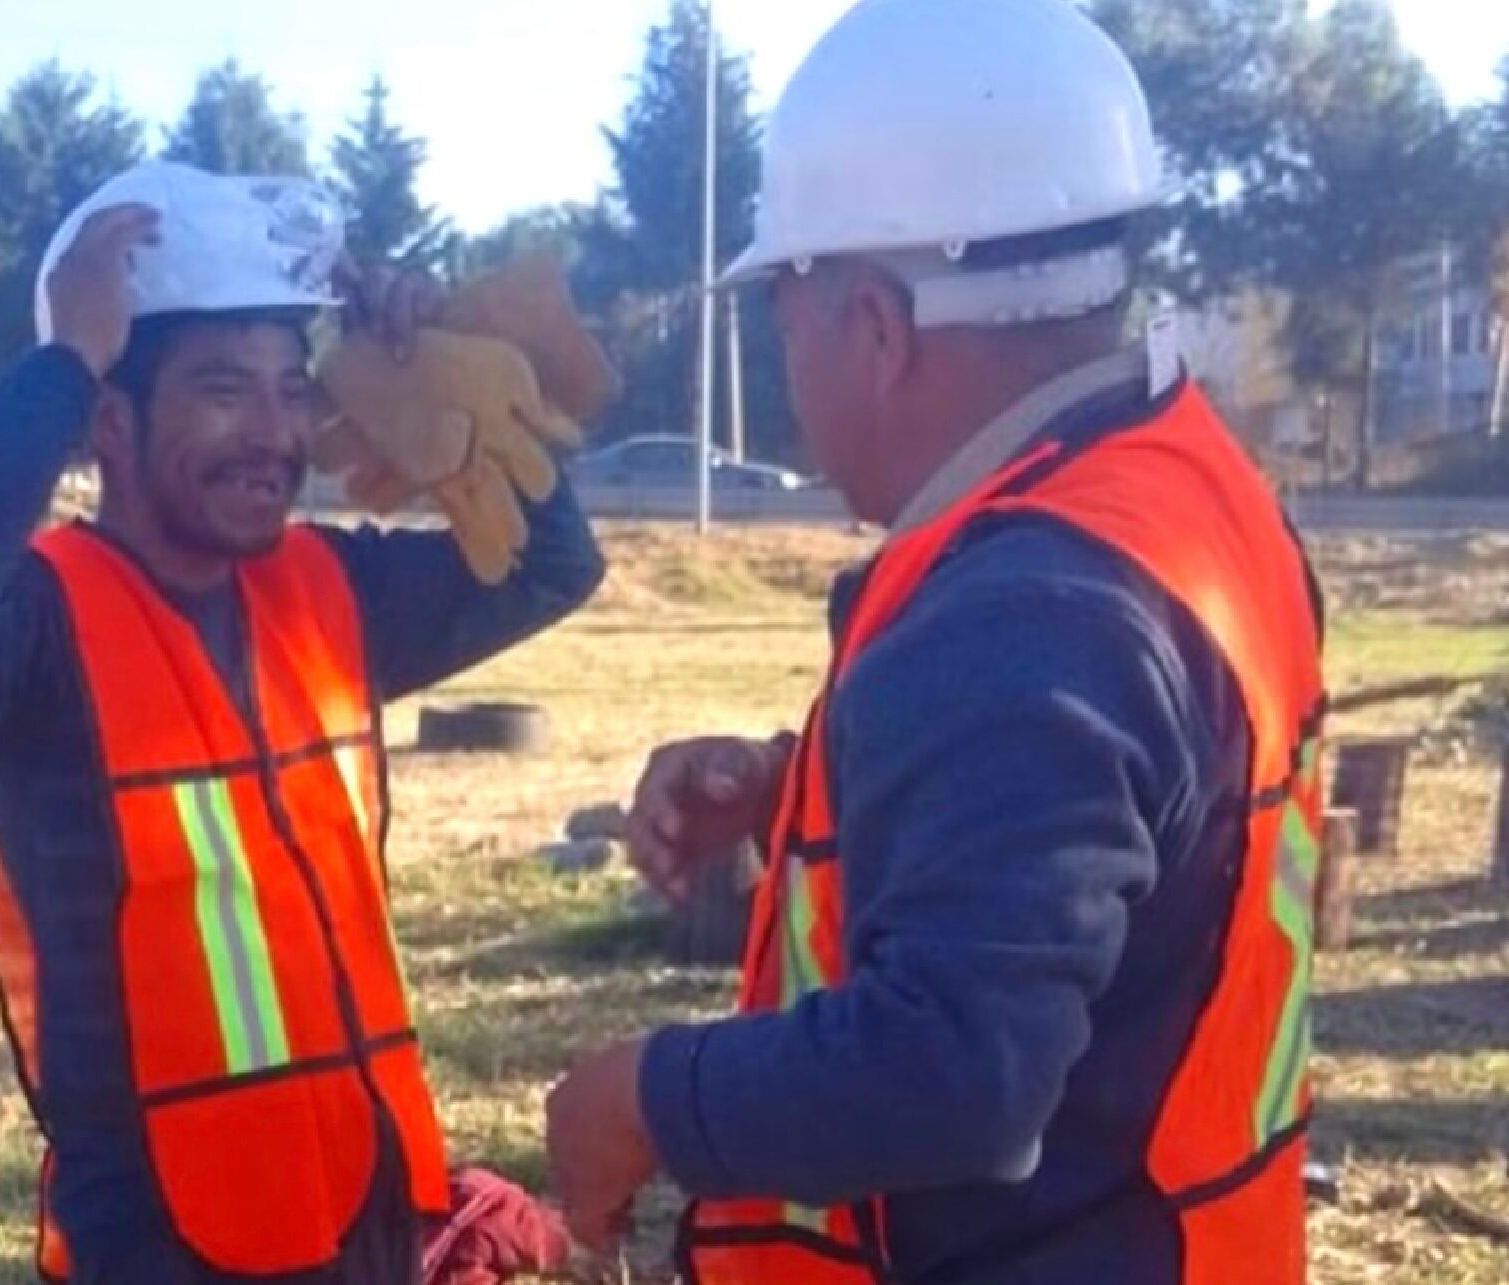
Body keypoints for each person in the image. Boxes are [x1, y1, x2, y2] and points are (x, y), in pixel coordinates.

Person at [542, 2, 1327, 1283]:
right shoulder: (1182, 494)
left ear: (874, 327)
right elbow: (1121, 822)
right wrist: (800, 785)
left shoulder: (1027, 612)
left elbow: (957, 1069)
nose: (790, 373)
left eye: (786, 323)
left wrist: (645, 1099)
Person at [0, 161, 604, 1284]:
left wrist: (437, 349)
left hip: (367, 1190)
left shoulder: (328, 589)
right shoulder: (38, 633)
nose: (274, 433)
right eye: (223, 390)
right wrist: (63, 362)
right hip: (172, 1228)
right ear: (109, 419)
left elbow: (551, 568)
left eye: (290, 389)